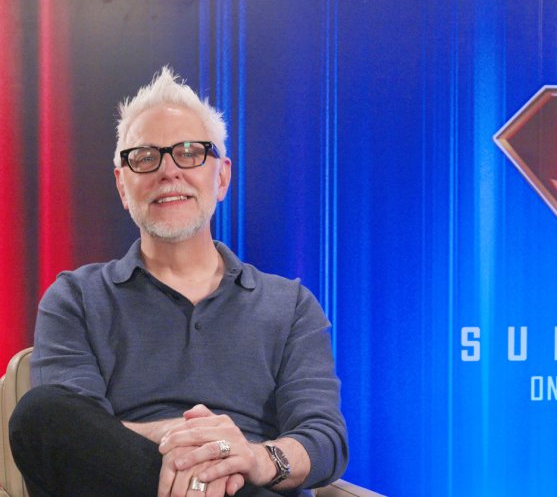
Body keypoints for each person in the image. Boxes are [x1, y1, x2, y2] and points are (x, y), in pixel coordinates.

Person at [9, 67, 348, 497]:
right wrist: (200, 446)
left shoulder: (291, 305)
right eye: (145, 157)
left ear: (221, 177)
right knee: (41, 414)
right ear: (123, 186)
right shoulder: (76, 297)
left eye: (189, 152)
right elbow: (72, 430)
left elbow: (324, 439)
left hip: (248, 487)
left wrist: (251, 457)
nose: (168, 171)